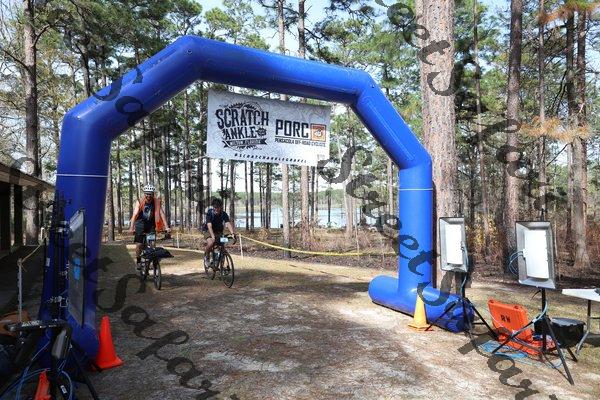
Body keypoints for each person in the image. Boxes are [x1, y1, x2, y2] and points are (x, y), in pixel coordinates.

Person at [128, 184, 170, 269]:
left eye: (150, 194)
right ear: (144, 194)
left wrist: (166, 227)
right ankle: (138, 261)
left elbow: (162, 214)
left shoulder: (156, 202)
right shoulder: (140, 201)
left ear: (153, 194)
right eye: (147, 193)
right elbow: (135, 214)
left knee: (153, 244)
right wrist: (131, 228)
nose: (148, 196)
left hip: (151, 224)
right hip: (140, 223)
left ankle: (153, 260)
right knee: (139, 244)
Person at [203, 198, 236, 265]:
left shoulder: (223, 214)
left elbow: (228, 223)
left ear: (220, 207)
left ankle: (220, 262)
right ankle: (207, 256)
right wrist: (213, 236)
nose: (216, 209)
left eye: (218, 207)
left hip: (218, 231)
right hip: (208, 231)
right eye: (215, 207)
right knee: (211, 242)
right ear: (213, 207)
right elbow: (209, 226)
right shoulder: (209, 213)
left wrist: (232, 234)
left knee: (222, 244)